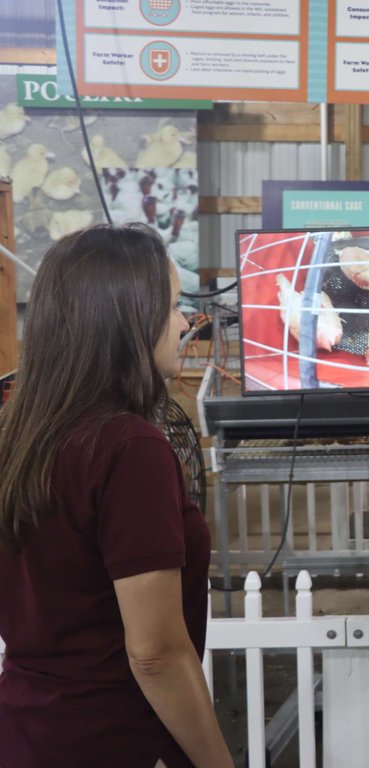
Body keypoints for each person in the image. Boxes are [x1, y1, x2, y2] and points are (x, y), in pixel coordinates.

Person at [0, 225, 233, 768]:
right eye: (173, 306)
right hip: (116, 738)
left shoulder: (20, 437)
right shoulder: (129, 447)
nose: (183, 323)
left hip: (26, 730)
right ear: (126, 318)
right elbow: (155, 654)